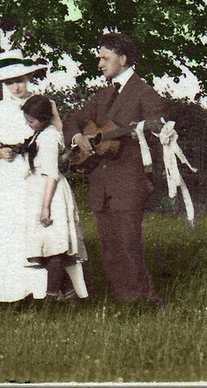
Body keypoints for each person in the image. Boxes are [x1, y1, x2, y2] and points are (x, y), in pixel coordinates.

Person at [62, 31, 170, 305]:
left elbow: (158, 126)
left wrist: (143, 133)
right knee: (110, 249)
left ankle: (146, 301)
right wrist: (77, 137)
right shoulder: (104, 94)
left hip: (127, 182)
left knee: (129, 245)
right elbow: (74, 119)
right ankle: (127, 301)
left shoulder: (145, 93)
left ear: (122, 59)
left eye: (104, 58)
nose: (100, 64)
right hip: (101, 182)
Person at [0, 48, 59, 303]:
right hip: (9, 174)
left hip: (35, 172)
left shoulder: (41, 103)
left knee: (34, 229)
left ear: (28, 79)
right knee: (9, 231)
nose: (16, 87)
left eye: (20, 80)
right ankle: (11, 293)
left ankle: (40, 291)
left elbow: (58, 136)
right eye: (10, 82)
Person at [20, 94, 88, 301]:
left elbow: (52, 173)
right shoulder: (40, 134)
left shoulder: (50, 137)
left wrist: (46, 207)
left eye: (31, 120)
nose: (28, 124)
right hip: (40, 190)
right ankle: (69, 295)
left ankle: (51, 298)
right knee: (48, 246)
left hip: (51, 193)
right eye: (27, 119)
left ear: (43, 119)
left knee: (54, 248)